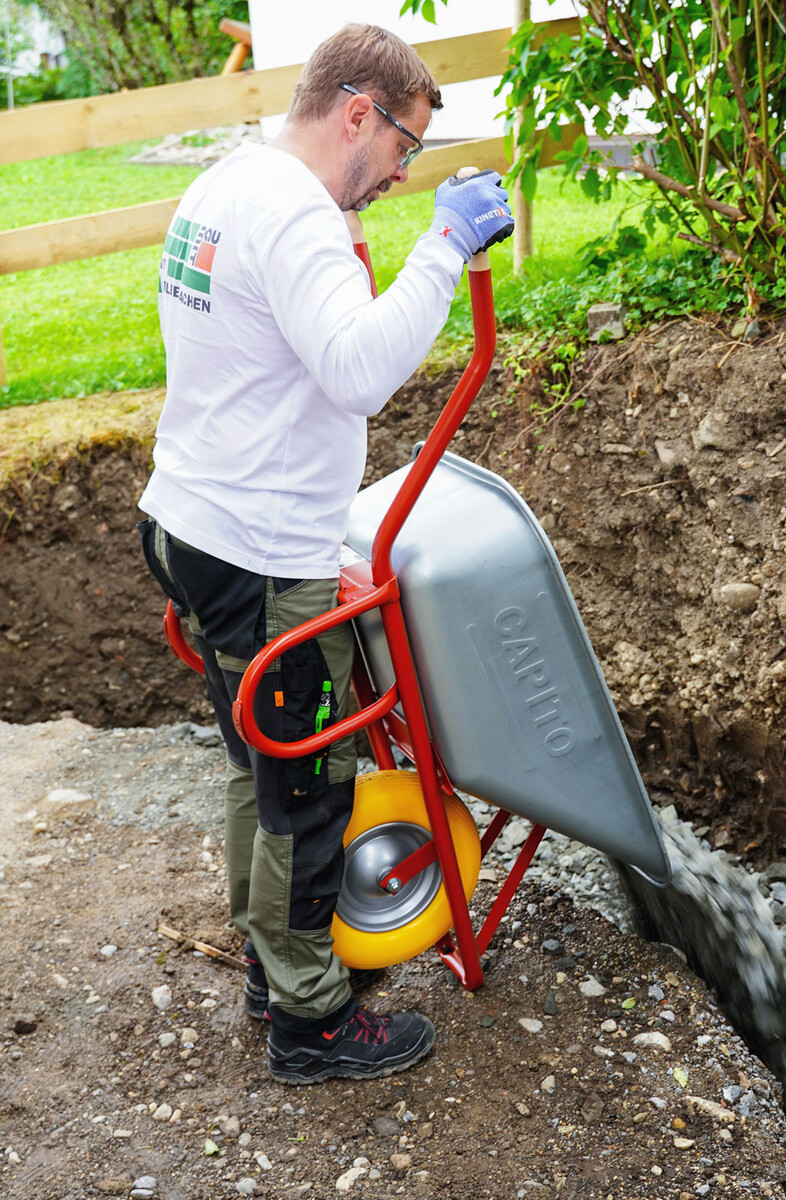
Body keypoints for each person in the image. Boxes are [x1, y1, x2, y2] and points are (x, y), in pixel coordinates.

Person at [136, 22, 514, 1085]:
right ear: (357, 113)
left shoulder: (229, 183)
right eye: (402, 146)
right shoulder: (296, 213)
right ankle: (310, 1023)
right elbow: (357, 372)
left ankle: (273, 964)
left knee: (254, 765)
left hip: (189, 520)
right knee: (308, 789)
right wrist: (444, 249)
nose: (401, 174)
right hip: (260, 553)